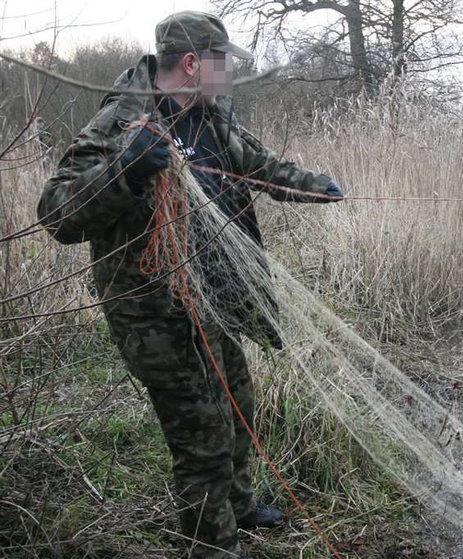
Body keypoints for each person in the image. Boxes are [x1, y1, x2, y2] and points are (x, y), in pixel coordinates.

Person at [37, 11, 343, 558]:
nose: (230, 76)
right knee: (203, 439)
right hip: (155, 312)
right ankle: (213, 545)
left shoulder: (212, 118)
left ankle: (240, 509)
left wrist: (314, 187)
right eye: (224, 64)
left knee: (240, 406)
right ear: (193, 64)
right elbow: (57, 214)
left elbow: (262, 167)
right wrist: (125, 171)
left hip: (216, 301)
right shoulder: (120, 122)